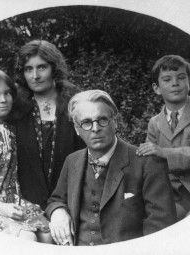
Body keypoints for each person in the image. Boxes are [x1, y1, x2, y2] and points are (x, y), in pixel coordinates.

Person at [45, 89, 176, 246]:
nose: (95, 128)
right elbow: (56, 199)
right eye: (86, 122)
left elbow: (160, 225)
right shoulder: (72, 161)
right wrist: (58, 211)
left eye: (102, 119)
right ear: (76, 129)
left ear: (115, 122)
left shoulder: (147, 163)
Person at [0, 68, 51, 242]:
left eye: (7, 93)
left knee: (49, 234)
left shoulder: (12, 128)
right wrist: (0, 207)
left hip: (15, 201)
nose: (3, 100)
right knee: (26, 238)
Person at [13, 40, 84, 210]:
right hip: (28, 204)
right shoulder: (15, 107)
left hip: (71, 200)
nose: (35, 76)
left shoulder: (75, 103)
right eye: (28, 69)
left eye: (42, 67)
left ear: (54, 68)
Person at [137, 55, 190, 221]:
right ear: (156, 88)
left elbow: (160, 153)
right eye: (167, 79)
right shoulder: (155, 123)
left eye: (181, 77)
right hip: (168, 194)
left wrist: (164, 153)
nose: (175, 83)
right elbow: (150, 162)